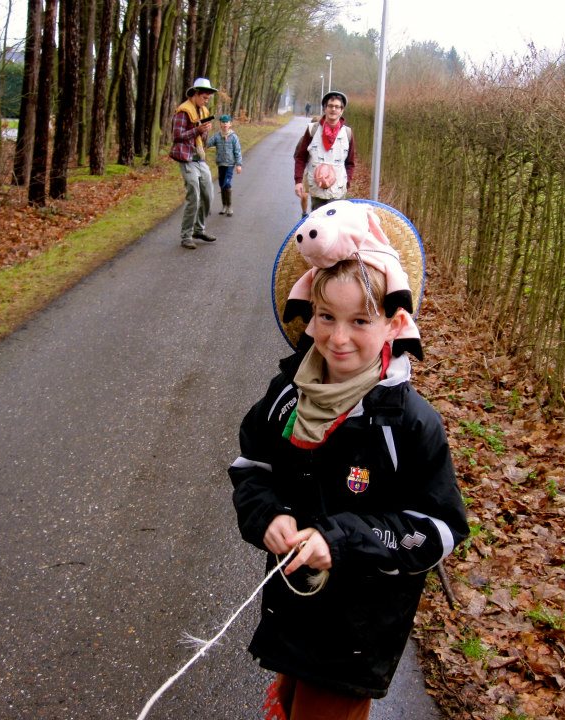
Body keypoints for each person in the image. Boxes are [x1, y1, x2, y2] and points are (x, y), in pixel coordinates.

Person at [229, 205, 469, 720]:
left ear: (394, 322)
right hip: (294, 611)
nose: (338, 338)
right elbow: (252, 466)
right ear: (307, 314)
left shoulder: (407, 423)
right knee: (292, 700)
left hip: (357, 632)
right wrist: (266, 515)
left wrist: (338, 542)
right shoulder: (287, 395)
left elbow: (439, 529)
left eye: (361, 320)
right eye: (326, 317)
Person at [170, 77, 218, 249]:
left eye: (208, 98)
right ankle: (186, 236)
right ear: (196, 94)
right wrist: (196, 129)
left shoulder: (203, 111)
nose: (206, 101)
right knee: (194, 196)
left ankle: (199, 229)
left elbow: (202, 138)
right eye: (204, 97)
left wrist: (204, 131)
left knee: (208, 194)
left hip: (199, 156)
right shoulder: (183, 111)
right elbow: (177, 136)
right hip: (185, 157)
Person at [293, 90, 356, 216]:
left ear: (342, 110)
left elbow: (350, 163)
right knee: (319, 224)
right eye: (330, 106)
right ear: (325, 108)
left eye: (337, 107)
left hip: (338, 191)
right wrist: (299, 181)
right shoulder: (313, 130)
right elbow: (301, 157)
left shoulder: (347, 133)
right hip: (317, 189)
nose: (333, 109)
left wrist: (347, 181)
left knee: (335, 226)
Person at [206, 114, 243, 217]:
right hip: (220, 164)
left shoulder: (234, 137)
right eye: (223, 122)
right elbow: (208, 143)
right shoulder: (217, 136)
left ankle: (229, 206)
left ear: (230, 124)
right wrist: (204, 133)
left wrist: (239, 164)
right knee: (222, 184)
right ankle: (224, 205)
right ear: (220, 124)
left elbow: (238, 151)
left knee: (227, 183)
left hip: (230, 164)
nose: (225, 124)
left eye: (227, 122)